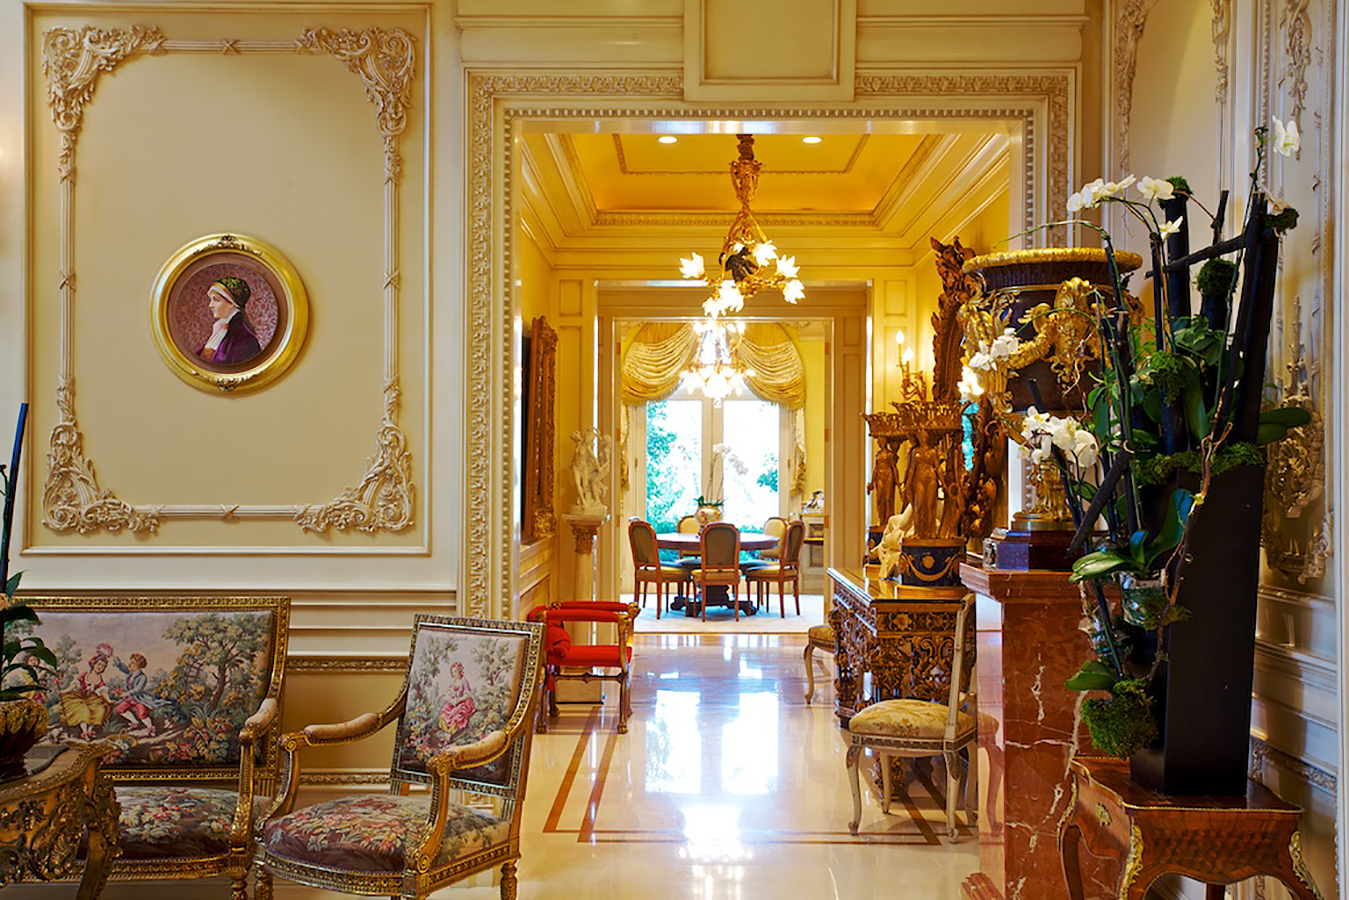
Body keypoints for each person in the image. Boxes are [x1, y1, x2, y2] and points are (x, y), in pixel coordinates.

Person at [196, 276, 262, 365]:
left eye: (216, 300)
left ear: (232, 303)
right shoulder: (218, 330)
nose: (210, 305)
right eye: (211, 300)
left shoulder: (246, 340)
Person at [899, 428, 941, 539]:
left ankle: (930, 532)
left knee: (930, 505)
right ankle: (918, 531)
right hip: (919, 478)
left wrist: (943, 483)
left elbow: (937, 468)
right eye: (919, 437)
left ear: (927, 437)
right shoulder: (915, 452)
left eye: (923, 436)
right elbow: (912, 469)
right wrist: (907, 484)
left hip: (931, 478)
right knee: (919, 505)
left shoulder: (933, 451)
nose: (922, 439)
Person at [61, 652, 113, 739]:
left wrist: (109, 700)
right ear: (93, 664)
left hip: (92, 699)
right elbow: (75, 684)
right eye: (99, 664)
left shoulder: (100, 679)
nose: (100, 667)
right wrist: (65, 691)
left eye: (103, 666)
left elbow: (103, 691)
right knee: (83, 710)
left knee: (99, 710)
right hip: (79, 697)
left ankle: (90, 730)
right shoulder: (85, 675)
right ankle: (84, 732)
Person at [111, 652, 165, 736]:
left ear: (138, 665)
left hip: (139, 698)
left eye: (132, 663)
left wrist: (126, 693)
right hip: (130, 698)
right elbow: (123, 667)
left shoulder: (142, 677)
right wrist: (114, 657)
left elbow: (138, 689)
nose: (130, 664)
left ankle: (150, 727)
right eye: (130, 662)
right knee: (119, 709)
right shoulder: (130, 673)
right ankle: (134, 722)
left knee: (142, 713)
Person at [439, 662, 477, 738]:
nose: (454, 674)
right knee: (445, 711)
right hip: (455, 702)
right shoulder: (453, 681)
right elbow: (451, 691)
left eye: (455, 671)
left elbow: (467, 694)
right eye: (453, 672)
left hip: (464, 702)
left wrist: (458, 700)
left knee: (456, 714)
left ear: (460, 671)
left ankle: (450, 734)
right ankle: (446, 732)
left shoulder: (464, 681)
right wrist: (447, 695)